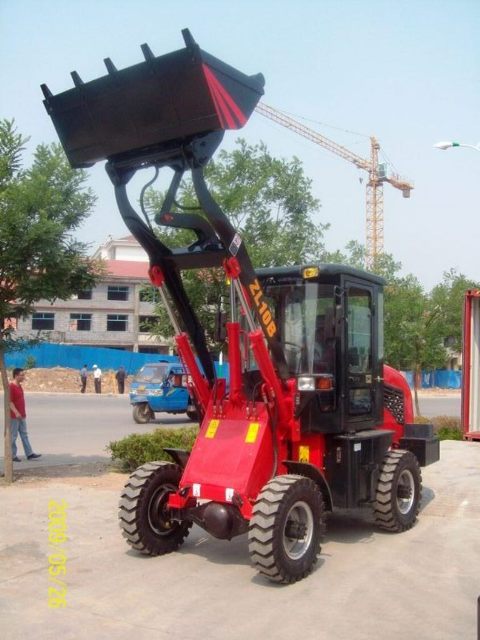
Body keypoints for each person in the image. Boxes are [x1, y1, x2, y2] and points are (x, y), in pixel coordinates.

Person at [9, 367, 41, 462]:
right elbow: (10, 402)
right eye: (21, 375)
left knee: (24, 435)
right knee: (13, 436)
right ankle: (12, 455)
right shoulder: (11, 386)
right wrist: (16, 412)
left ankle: (29, 453)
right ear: (16, 375)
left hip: (22, 415)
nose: (23, 377)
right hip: (14, 416)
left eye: (24, 375)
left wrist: (22, 413)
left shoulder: (19, 386)